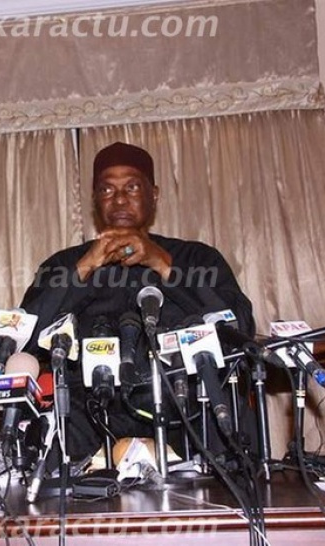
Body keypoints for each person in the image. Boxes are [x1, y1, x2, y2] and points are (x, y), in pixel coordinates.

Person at [20, 141, 256, 465]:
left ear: (154, 195)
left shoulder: (196, 257)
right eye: (107, 189)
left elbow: (239, 325)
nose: (119, 199)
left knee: (228, 418)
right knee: (44, 431)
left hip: (182, 400)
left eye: (131, 187)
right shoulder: (64, 264)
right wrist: (85, 267)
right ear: (95, 200)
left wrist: (163, 264)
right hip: (89, 405)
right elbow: (23, 338)